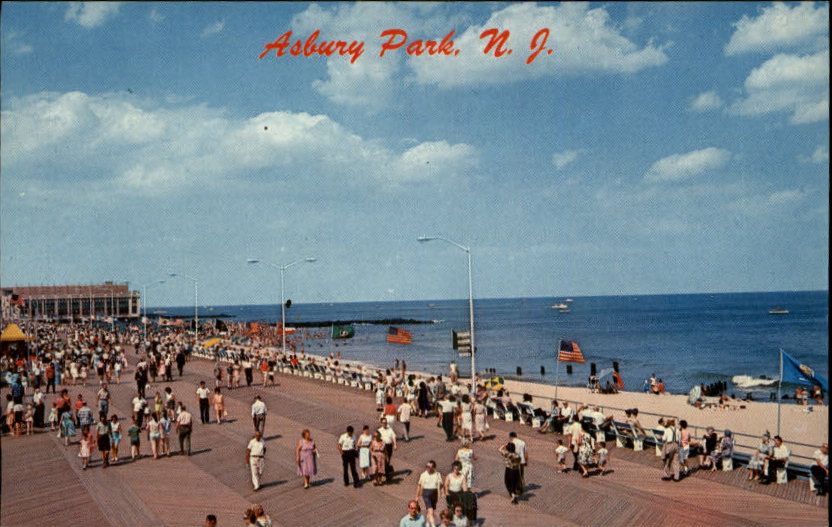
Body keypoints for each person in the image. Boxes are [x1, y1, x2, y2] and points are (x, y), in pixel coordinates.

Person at [416, 461, 443, 527]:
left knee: (431, 511)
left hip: (435, 494)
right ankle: (433, 525)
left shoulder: (437, 474)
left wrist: (442, 492)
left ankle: (427, 524)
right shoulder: (423, 475)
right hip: (426, 494)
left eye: (429, 467)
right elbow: (419, 486)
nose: (427, 468)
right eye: (426, 466)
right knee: (430, 511)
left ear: (433, 467)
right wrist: (417, 496)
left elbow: (441, 484)